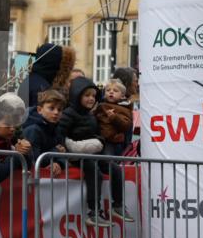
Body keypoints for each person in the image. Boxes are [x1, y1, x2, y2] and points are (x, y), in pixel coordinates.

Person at [58, 76, 132, 227]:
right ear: (77, 95)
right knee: (94, 171)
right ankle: (94, 212)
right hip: (75, 155)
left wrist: (99, 142)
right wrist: (65, 150)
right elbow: (60, 135)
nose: (91, 99)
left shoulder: (91, 115)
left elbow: (99, 133)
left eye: (93, 95)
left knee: (115, 169)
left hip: (92, 152)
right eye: (87, 95)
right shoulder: (68, 113)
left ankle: (117, 205)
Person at [22, 89, 67, 177]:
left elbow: (64, 155)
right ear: (39, 110)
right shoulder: (33, 130)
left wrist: (59, 164)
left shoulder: (58, 129)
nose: (56, 112)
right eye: (51, 108)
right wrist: (56, 151)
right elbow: (34, 159)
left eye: (60, 109)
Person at [95, 79, 134, 156]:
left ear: (122, 96)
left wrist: (114, 117)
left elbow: (127, 125)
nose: (111, 92)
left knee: (108, 161)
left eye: (115, 91)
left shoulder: (125, 108)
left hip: (114, 142)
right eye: (108, 90)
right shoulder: (101, 105)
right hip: (100, 139)